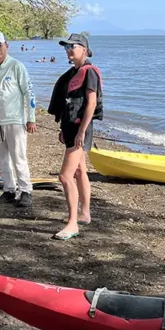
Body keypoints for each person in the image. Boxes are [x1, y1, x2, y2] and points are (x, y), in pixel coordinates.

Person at [47, 33, 103, 241]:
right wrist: (65, 128)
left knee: (64, 176)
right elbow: (70, 103)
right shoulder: (72, 73)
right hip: (72, 129)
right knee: (80, 171)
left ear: (84, 50)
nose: (69, 50)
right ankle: (85, 214)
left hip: (81, 130)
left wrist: (81, 132)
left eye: (74, 46)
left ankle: (72, 224)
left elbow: (91, 104)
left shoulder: (89, 73)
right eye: (66, 47)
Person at [0, 31, 37, 207]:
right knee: (1, 157)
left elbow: (29, 92)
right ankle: (9, 189)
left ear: (6, 46)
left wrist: (31, 118)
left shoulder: (16, 66)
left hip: (15, 120)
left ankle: (25, 190)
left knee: (19, 157)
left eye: (0, 45)